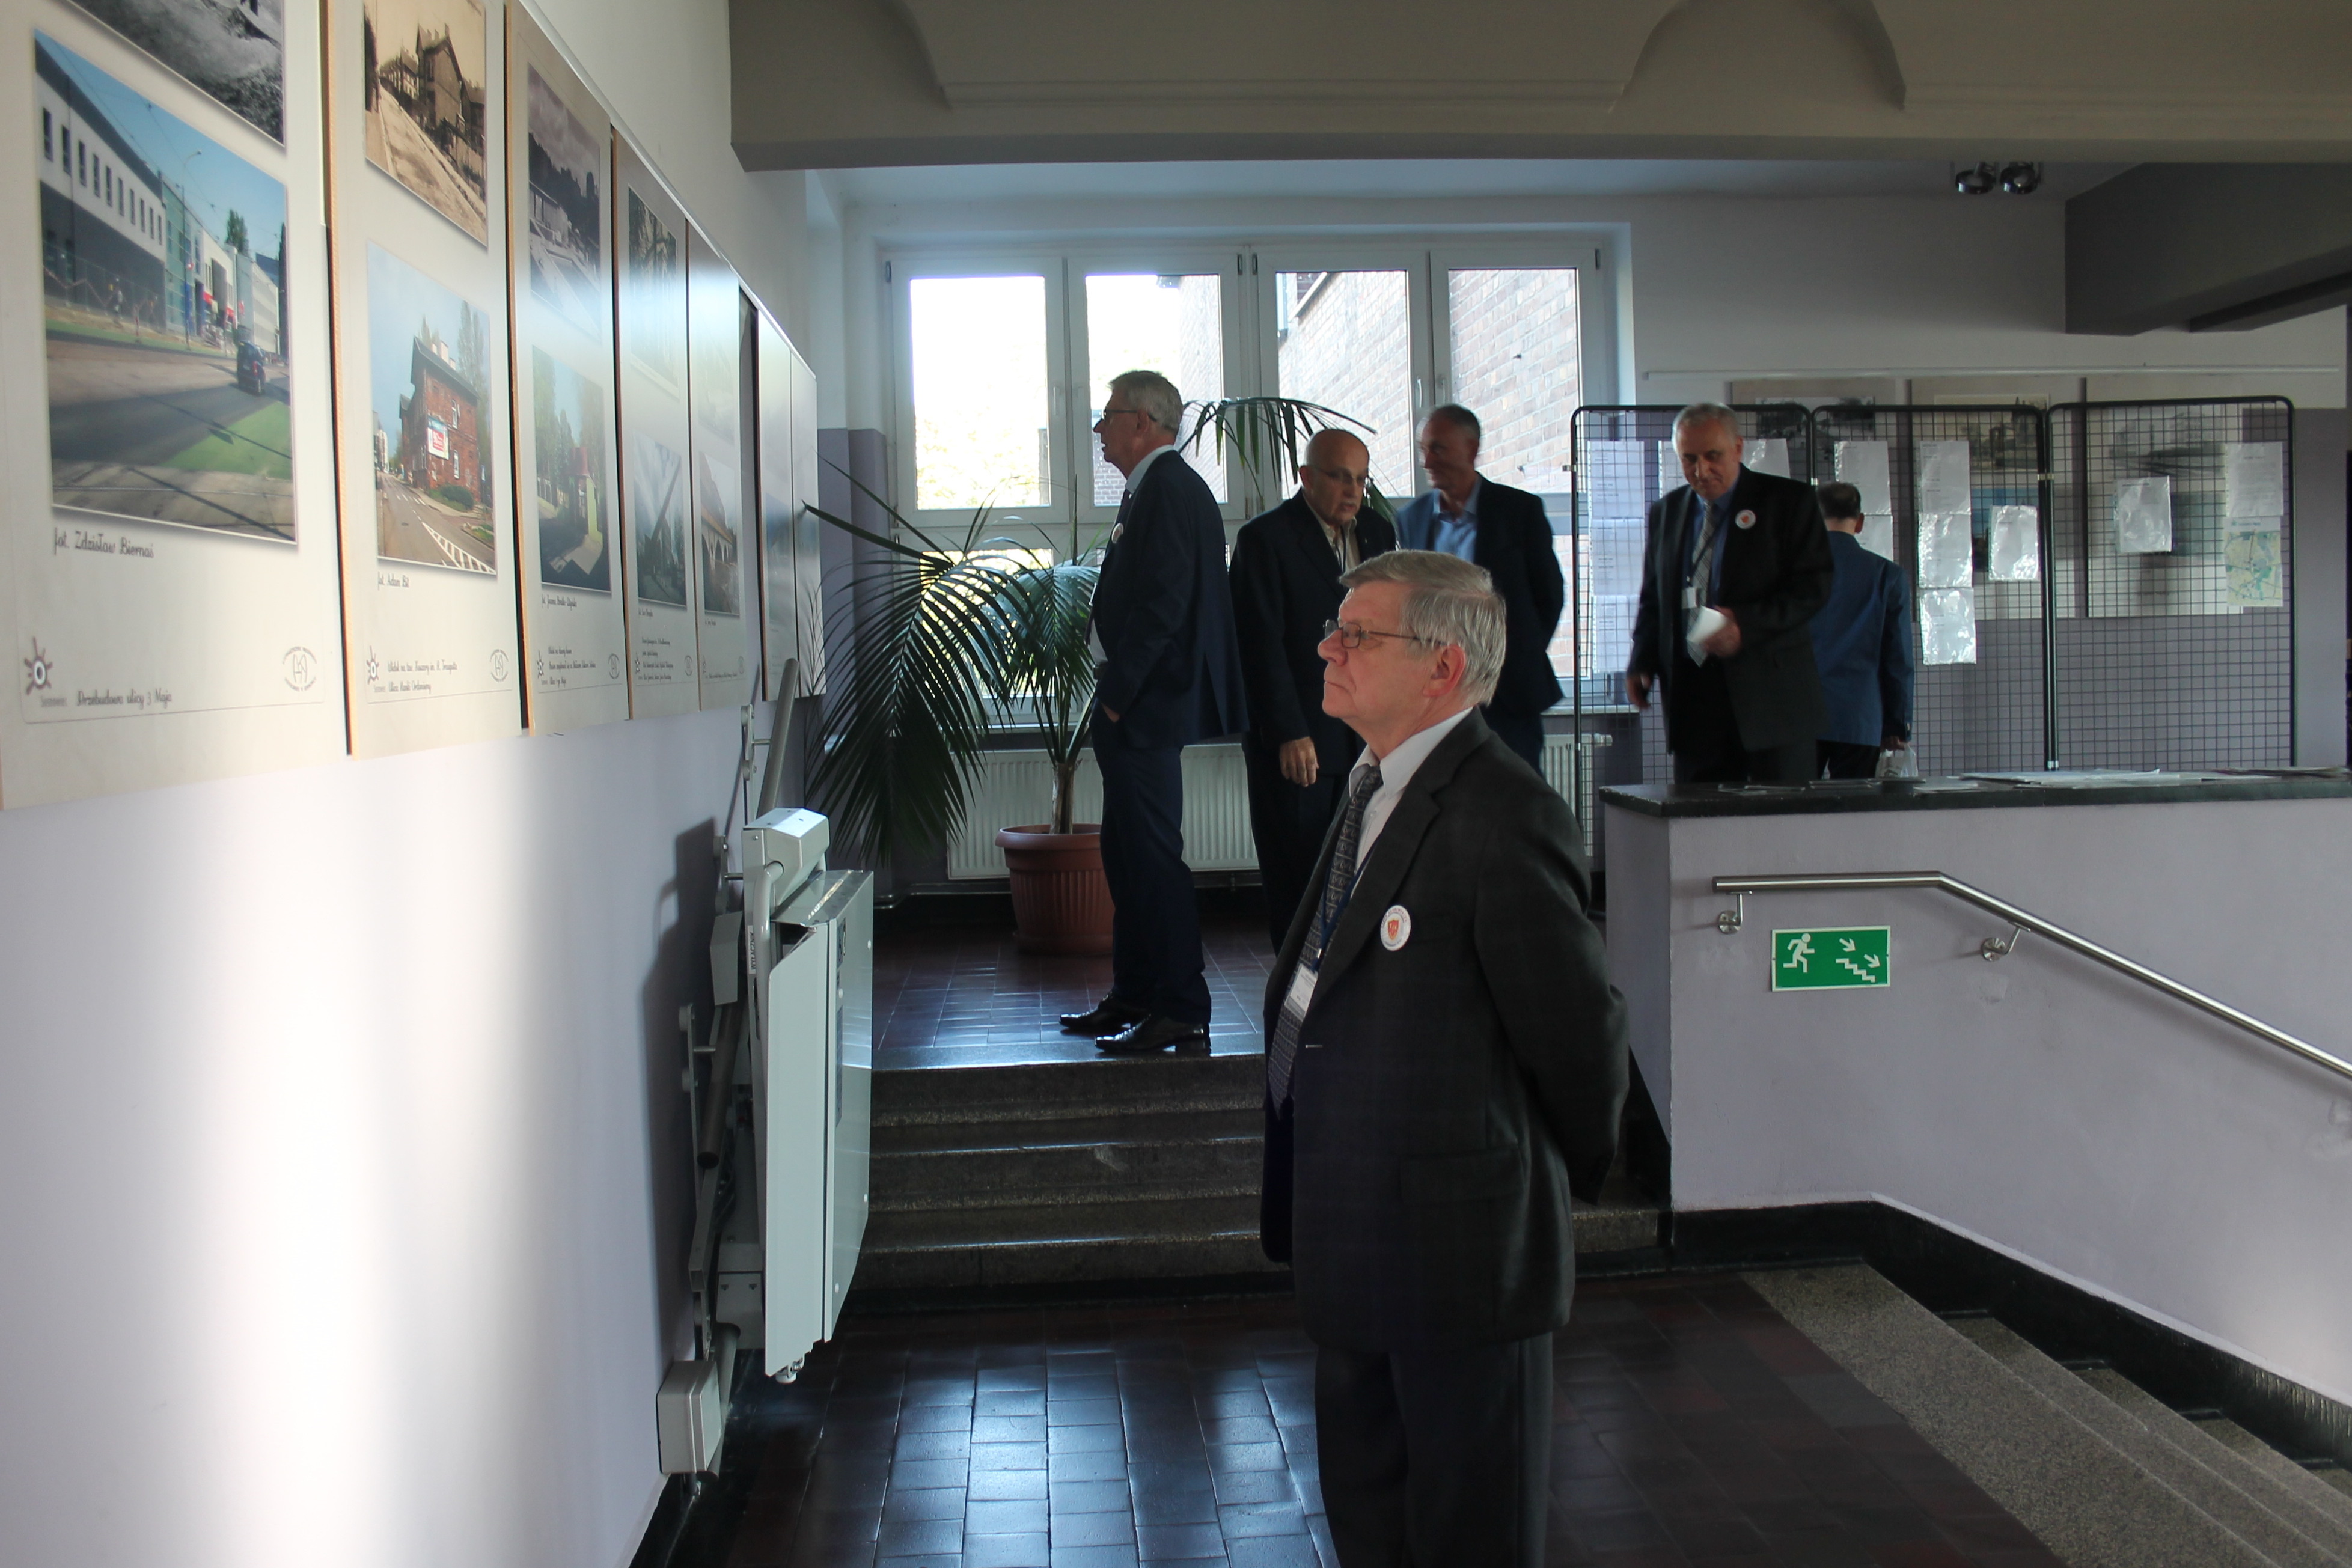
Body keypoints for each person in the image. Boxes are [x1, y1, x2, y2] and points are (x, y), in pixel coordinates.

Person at [1258, 549, 1628, 1566]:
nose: (1326, 649)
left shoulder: (1503, 814)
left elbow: (1577, 1038)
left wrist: (1530, 1184)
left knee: (1470, 1534)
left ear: (1441, 666)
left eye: (1355, 634)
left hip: (1460, 1254)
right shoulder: (1370, 786)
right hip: (1352, 1235)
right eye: (1333, 628)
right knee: (1372, 1523)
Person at [1059, 370, 1247, 1054]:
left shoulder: (1166, 488)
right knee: (1126, 853)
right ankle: (1134, 993)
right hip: (1138, 704)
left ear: (1142, 422)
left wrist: (1115, 697)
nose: (1099, 428)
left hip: (1143, 705)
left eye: (1107, 414)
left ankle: (1181, 1006)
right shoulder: (1153, 487)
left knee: (1152, 858)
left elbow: (1163, 605)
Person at [1229, 429, 1397, 949]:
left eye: (1361, 480)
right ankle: (1294, 991)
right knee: (1299, 883)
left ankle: (1345, 989)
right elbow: (1258, 645)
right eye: (1340, 477)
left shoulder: (1377, 532)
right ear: (1305, 476)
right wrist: (1288, 731)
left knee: (1361, 876)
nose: (1353, 491)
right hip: (1298, 741)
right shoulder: (1265, 539)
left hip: (1363, 738)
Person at [1627, 402, 1835, 783]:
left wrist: (1745, 626)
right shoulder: (1667, 512)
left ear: (1738, 448)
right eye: (1689, 459)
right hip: (1695, 707)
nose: (1701, 470)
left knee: (1780, 817)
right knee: (1700, 819)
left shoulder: (1787, 502)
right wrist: (1642, 660)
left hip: (1771, 705)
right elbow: (1654, 598)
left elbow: (1813, 588)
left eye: (1713, 456)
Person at [1391, 405, 1564, 771]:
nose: (1427, 461)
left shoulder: (1519, 511)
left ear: (1471, 450)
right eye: (1423, 450)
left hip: (1509, 694)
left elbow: (1549, 595)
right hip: (1436, 697)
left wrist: (1515, 654)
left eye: (1438, 448)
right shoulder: (1412, 520)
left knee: (1516, 795)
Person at [1810, 481, 1915, 778]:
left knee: (1795, 804)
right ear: (1860, 522)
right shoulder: (1888, 575)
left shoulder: (1791, 572)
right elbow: (1898, 657)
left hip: (1799, 714)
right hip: (1860, 716)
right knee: (1854, 804)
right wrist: (1898, 724)